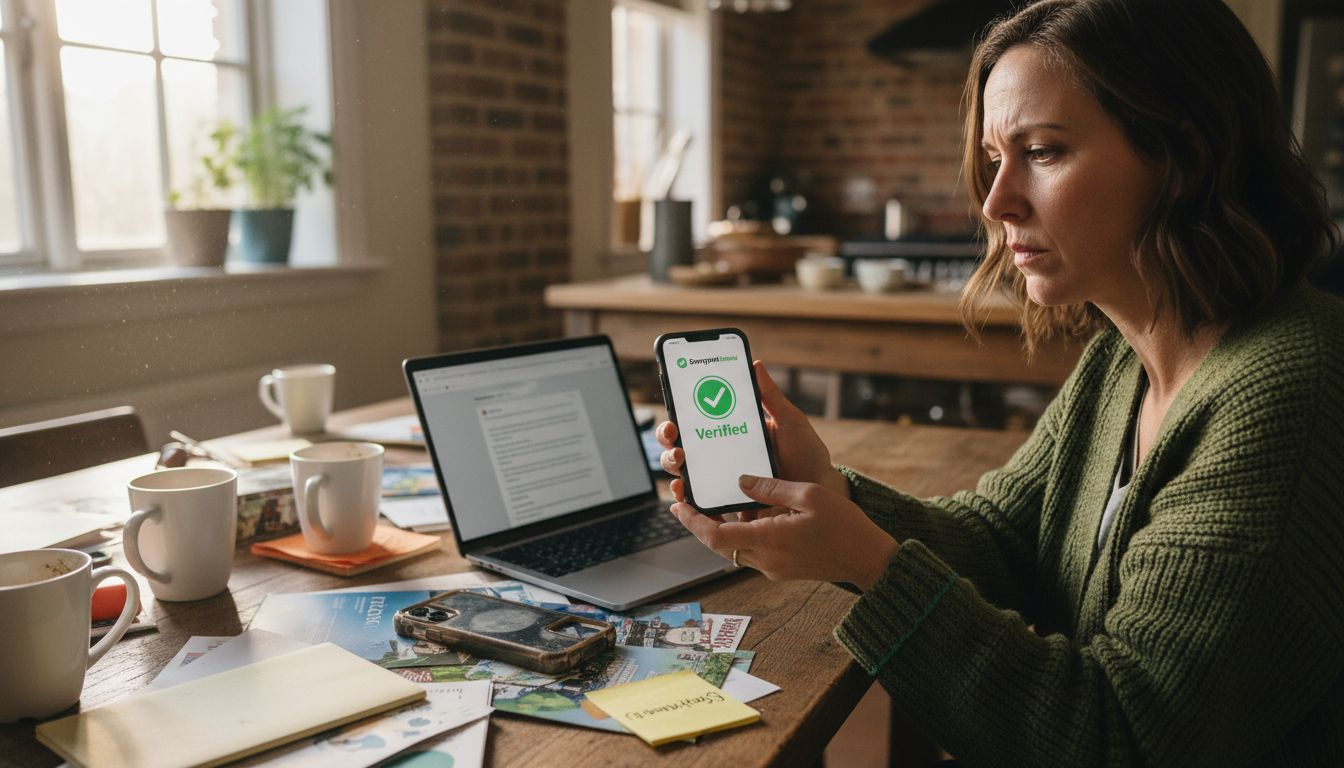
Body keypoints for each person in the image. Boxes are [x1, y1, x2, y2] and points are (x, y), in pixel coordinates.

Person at [657, 0, 1344, 764]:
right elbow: (1009, 545)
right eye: (994, 158)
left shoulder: (1288, 392)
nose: (995, 202)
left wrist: (866, 564)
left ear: (1185, 155)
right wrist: (834, 493)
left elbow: (1121, 739)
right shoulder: (1121, 357)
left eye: (1043, 152)